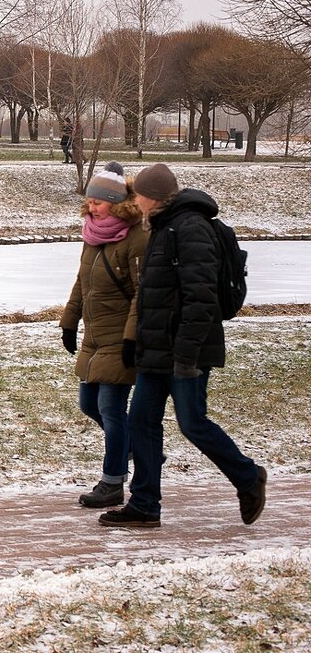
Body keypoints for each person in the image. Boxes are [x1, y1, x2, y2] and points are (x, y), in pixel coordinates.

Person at [98, 163, 267, 529]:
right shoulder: (162, 225)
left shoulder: (190, 227)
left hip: (186, 352)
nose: (135, 201)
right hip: (156, 350)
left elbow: (201, 298)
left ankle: (249, 476)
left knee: (192, 423)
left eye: (138, 194)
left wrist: (187, 355)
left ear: (153, 197)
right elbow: (155, 296)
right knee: (142, 421)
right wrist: (135, 341)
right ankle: (144, 505)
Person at [60, 162, 148, 509]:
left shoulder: (136, 237)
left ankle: (112, 484)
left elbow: (143, 294)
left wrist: (131, 338)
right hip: (95, 337)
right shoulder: (92, 233)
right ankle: (140, 451)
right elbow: (83, 282)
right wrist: (70, 321)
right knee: (88, 404)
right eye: (90, 202)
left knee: (111, 409)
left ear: (115, 202)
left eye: (97, 201)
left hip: (120, 338)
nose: (91, 206)